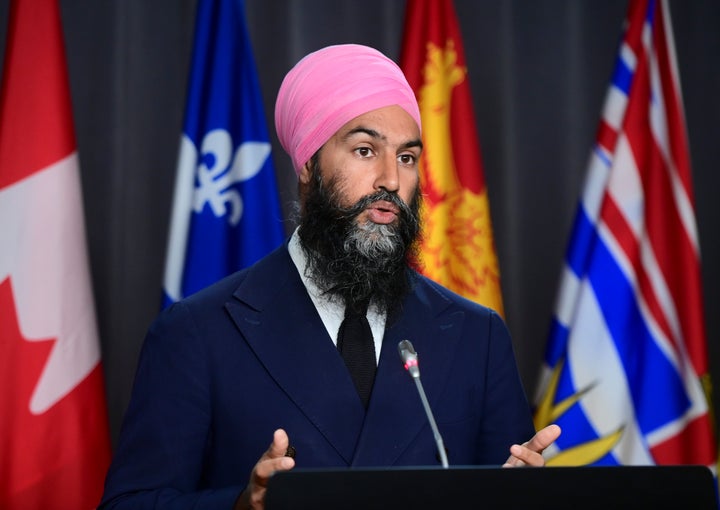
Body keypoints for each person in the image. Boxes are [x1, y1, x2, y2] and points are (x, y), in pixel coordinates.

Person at [99, 44, 561, 510]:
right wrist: (243, 504)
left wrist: (514, 496)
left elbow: (505, 484)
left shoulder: (475, 335)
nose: (391, 181)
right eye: (365, 150)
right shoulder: (197, 332)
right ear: (308, 163)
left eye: (406, 158)